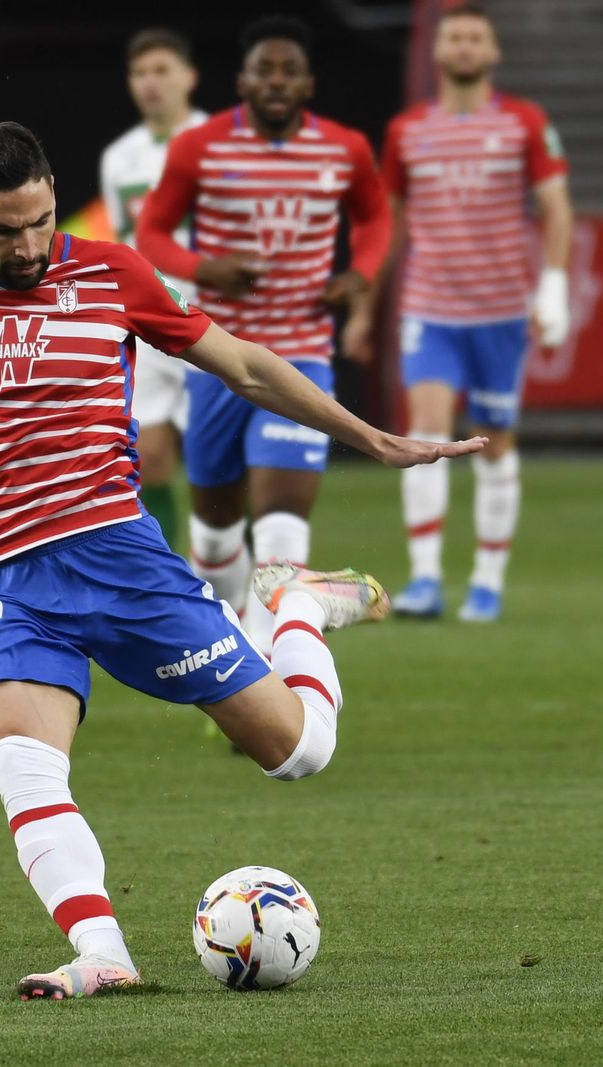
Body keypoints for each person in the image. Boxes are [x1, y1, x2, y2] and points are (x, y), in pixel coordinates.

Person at [0, 122, 480, 998]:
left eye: (39, 222)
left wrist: (368, 434)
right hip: (9, 581)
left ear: (54, 197)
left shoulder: (113, 274)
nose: (27, 246)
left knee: (300, 752)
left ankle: (294, 601)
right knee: (18, 754)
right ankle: (104, 951)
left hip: (124, 562)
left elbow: (247, 365)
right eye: (3, 230)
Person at [136, 14, 391, 654]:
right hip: (221, 359)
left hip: (301, 355)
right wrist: (205, 269)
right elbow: (153, 235)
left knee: (280, 524)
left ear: (308, 84)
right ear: (242, 80)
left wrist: (359, 274)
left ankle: (262, 669)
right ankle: (228, 644)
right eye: (263, 70)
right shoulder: (199, 148)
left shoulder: (344, 148)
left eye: (289, 71)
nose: (276, 82)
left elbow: (376, 216)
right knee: (218, 535)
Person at [356, 2, 572, 622]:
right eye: (455, 37)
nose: (466, 46)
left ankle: (487, 579)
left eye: (477, 37)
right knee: (425, 427)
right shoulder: (407, 131)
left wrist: (553, 286)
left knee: (496, 441)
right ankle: (425, 579)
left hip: (501, 311)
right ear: (438, 50)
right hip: (432, 307)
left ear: (493, 51)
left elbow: (555, 206)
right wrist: (369, 309)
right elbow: (391, 223)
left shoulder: (525, 123)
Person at [98, 27, 207, 550]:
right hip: (152, 328)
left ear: (190, 76)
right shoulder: (120, 158)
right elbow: (126, 243)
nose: (150, 83)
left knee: (222, 463)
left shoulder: (219, 140)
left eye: (161, 70)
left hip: (214, 322)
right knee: (151, 458)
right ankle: (169, 578)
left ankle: (248, 578)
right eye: (140, 73)